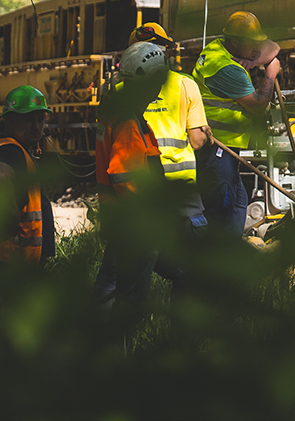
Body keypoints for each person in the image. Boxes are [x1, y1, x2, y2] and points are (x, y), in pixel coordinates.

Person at [91, 41, 212, 317]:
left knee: (115, 283)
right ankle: (119, 349)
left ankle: (98, 340)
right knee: (131, 298)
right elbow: (125, 176)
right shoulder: (128, 123)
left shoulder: (123, 112)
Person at [190, 11, 281, 235]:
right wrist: (270, 72)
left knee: (238, 202)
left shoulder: (218, 47)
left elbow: (273, 47)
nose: (257, 47)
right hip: (217, 148)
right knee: (223, 210)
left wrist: (252, 58)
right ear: (235, 42)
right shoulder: (225, 68)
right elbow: (259, 104)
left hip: (226, 149)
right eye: (252, 44)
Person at [0, 85, 54, 280]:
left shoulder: (15, 149)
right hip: (9, 263)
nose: (36, 126)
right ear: (8, 121)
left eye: (40, 120)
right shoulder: (10, 151)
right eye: (28, 120)